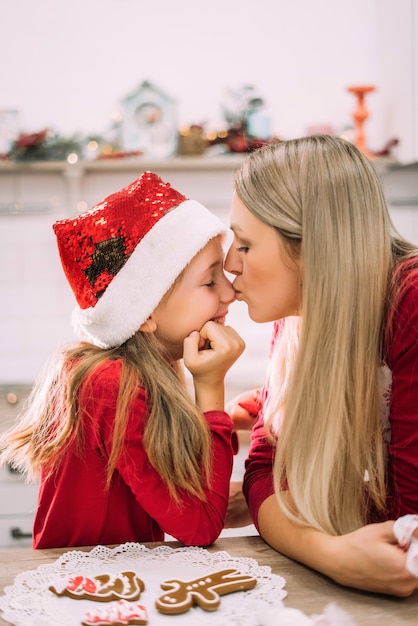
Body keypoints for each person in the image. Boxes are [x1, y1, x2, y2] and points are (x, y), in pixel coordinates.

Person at [0, 171, 245, 549]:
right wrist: (211, 388)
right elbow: (200, 526)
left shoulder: (150, 366)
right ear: (143, 313)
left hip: (125, 583)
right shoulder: (111, 385)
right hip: (83, 593)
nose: (230, 292)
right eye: (210, 281)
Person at [224, 134, 418, 597]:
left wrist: (292, 521)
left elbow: (406, 533)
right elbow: (265, 473)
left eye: (246, 245)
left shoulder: (410, 302)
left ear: (312, 248)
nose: (230, 263)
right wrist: (331, 554)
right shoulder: (301, 313)